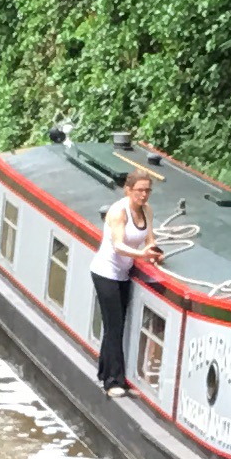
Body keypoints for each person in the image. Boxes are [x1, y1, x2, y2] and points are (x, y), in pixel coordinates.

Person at [91, 164, 162, 387]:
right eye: (139, 190)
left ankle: (104, 372)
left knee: (116, 324)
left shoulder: (147, 210)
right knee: (115, 328)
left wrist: (153, 250)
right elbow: (119, 245)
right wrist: (141, 254)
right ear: (128, 190)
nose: (144, 194)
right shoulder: (118, 212)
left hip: (123, 273)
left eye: (147, 190)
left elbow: (149, 237)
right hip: (105, 272)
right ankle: (113, 382)